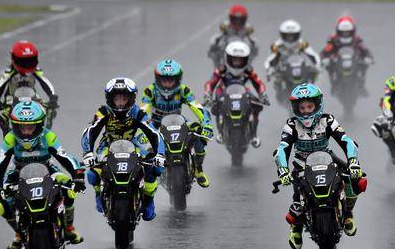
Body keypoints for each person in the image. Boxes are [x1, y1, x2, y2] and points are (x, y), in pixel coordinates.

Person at [274, 83, 364, 249]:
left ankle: (348, 214)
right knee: (298, 195)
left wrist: (353, 162)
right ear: (295, 108)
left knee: (357, 180)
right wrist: (283, 171)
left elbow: (346, 141)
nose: (306, 111)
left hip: (328, 160)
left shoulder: (328, 120)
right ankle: (296, 228)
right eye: (302, 108)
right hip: (302, 165)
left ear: (317, 105)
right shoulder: (291, 125)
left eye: (309, 106)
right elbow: (282, 149)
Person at [0, 100, 84, 249]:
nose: (26, 132)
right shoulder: (10, 138)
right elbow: (0, 163)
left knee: (68, 189)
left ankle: (69, 227)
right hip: (18, 172)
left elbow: (64, 156)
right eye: (22, 127)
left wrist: (77, 174)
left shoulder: (48, 136)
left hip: (48, 169)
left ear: (39, 125)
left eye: (31, 127)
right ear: (15, 126)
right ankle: (19, 233)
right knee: (3, 204)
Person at [81, 77, 165, 221]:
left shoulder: (138, 113)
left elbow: (154, 133)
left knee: (154, 168)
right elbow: (90, 131)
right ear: (110, 99)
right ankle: (98, 194)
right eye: (117, 99)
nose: (120, 103)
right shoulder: (103, 112)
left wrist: (160, 154)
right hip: (108, 143)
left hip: (134, 142)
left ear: (131, 98)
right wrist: (87, 153)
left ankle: (149, 200)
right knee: (93, 173)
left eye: (124, 99)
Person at [141, 59, 214, 187]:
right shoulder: (150, 90)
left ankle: (198, 169)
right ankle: (146, 178)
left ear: (178, 80)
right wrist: (143, 130)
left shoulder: (183, 90)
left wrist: (206, 124)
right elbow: (143, 111)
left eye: (171, 80)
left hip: (179, 122)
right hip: (157, 125)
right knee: (144, 148)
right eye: (164, 80)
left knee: (198, 131)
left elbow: (197, 107)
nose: (168, 84)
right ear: (158, 79)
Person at [204, 41, 269, 148]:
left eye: (240, 60)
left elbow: (258, 83)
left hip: (244, 91)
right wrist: (208, 94)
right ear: (228, 58)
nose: (237, 62)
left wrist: (262, 94)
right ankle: (220, 132)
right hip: (223, 91)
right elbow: (210, 83)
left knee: (257, 104)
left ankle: (253, 134)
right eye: (234, 59)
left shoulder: (248, 70)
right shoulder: (221, 69)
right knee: (216, 105)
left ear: (245, 60)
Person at [0, 40, 59, 136]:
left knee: (45, 105)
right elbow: (0, 85)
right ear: (14, 59)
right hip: (12, 97)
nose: (28, 64)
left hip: (31, 95)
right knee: (6, 111)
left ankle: (46, 122)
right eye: (24, 62)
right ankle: (5, 125)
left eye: (31, 61)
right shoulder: (10, 71)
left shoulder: (36, 70)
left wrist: (52, 97)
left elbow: (45, 81)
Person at [320, 15, 374, 95]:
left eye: (348, 32)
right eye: (343, 32)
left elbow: (364, 50)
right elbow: (325, 51)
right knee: (329, 66)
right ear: (338, 31)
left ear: (352, 31)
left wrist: (369, 58)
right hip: (337, 61)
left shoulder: (357, 39)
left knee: (364, 65)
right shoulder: (333, 39)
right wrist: (324, 59)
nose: (345, 34)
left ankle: (361, 85)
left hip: (354, 61)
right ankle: (333, 84)